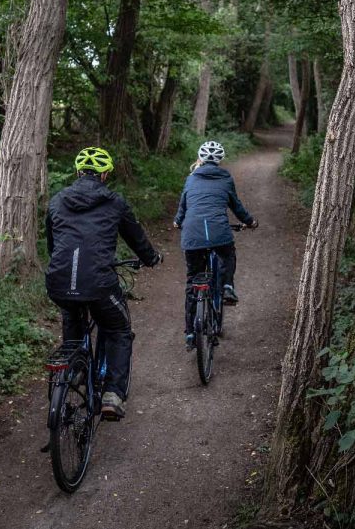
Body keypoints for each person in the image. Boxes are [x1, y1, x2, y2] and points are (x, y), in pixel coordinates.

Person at [45, 146, 161, 420]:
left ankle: (73, 372)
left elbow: (53, 245)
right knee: (119, 329)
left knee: (71, 312)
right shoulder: (114, 202)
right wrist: (151, 258)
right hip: (98, 283)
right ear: (105, 173)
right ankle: (112, 395)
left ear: (77, 172)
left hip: (59, 281)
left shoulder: (57, 200)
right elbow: (136, 238)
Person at [173, 140, 257, 348]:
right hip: (220, 233)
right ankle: (227, 286)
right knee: (228, 254)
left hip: (192, 235)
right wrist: (250, 222)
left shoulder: (190, 179)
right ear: (220, 160)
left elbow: (183, 205)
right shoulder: (225, 178)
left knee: (193, 281)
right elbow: (236, 206)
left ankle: (191, 333)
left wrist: (177, 221)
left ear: (200, 159)